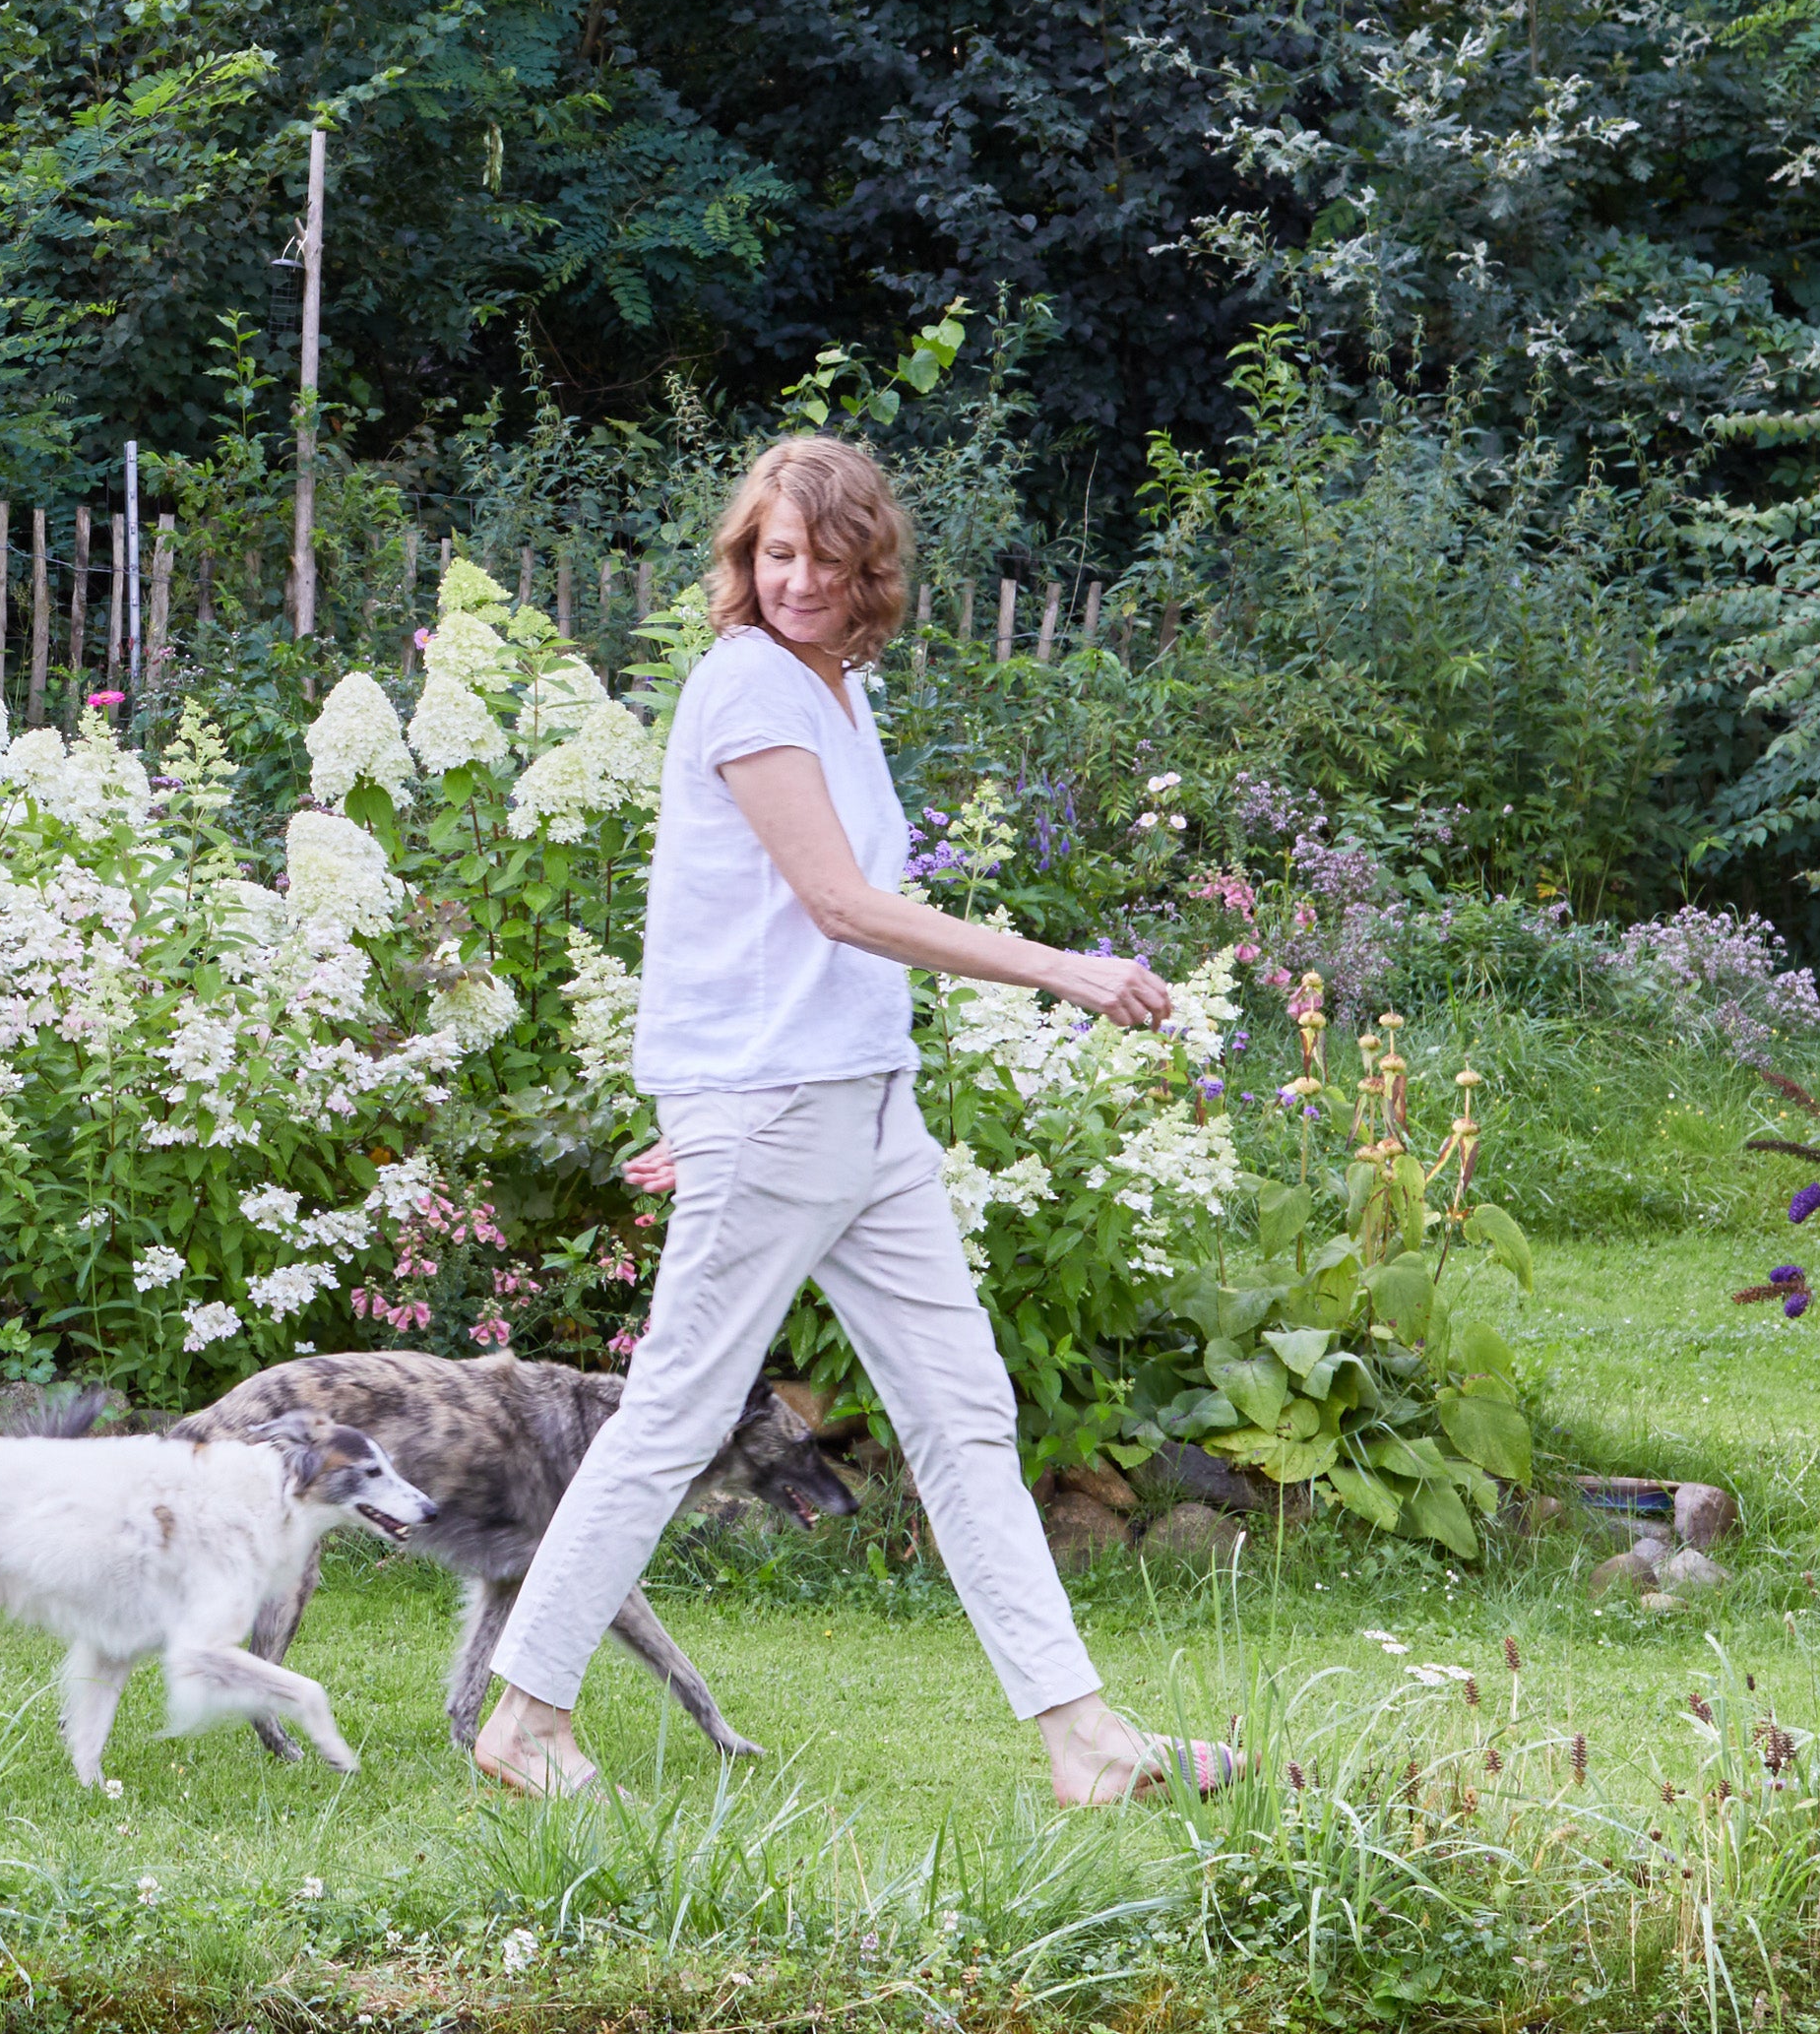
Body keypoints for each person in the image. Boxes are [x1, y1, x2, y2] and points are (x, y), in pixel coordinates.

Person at [466, 434, 1241, 1810]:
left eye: (824, 556)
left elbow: (780, 931)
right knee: (673, 1416)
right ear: (744, 560)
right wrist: (1064, 968)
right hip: (778, 1111)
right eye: (773, 554)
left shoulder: (838, 686)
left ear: (867, 562)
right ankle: (526, 1716)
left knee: (964, 1413)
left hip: (864, 1105)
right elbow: (836, 902)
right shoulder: (749, 683)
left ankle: (1085, 1741)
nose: (798, 578)